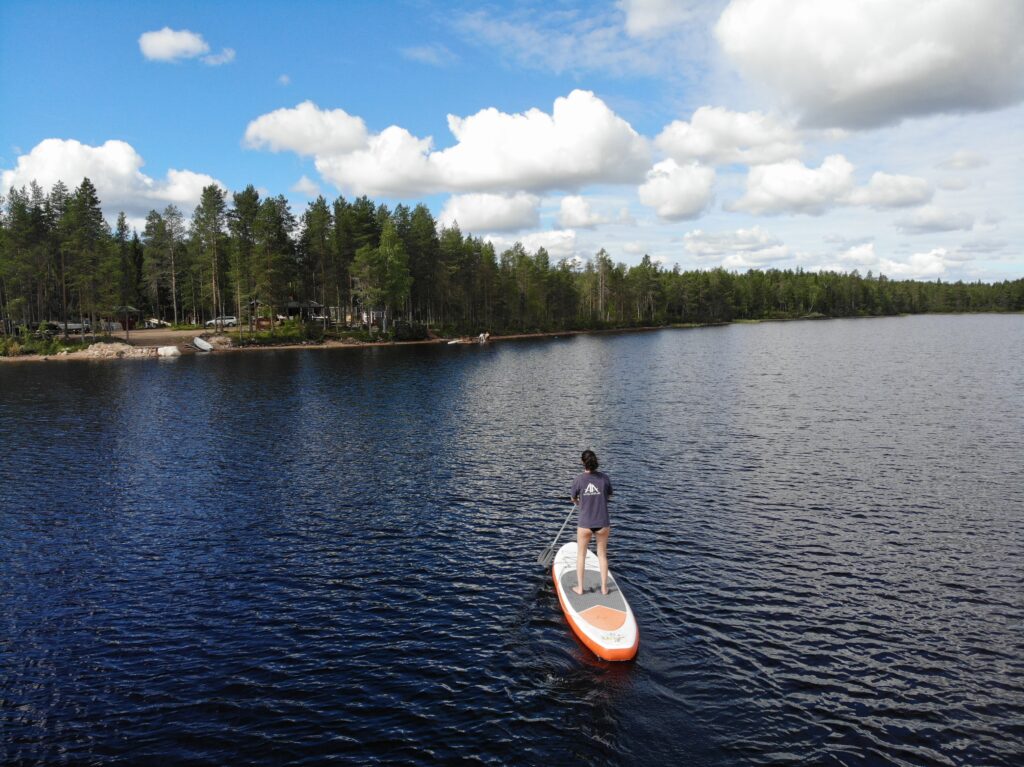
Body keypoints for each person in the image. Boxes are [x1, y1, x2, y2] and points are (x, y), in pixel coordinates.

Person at [570, 449, 613, 595]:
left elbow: (573, 499)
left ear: (583, 462)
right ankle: (604, 588)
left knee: (581, 555)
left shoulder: (579, 479)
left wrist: (578, 501)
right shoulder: (604, 478)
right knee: (602, 555)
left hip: (585, 524)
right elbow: (609, 496)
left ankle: (580, 588)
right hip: (603, 523)